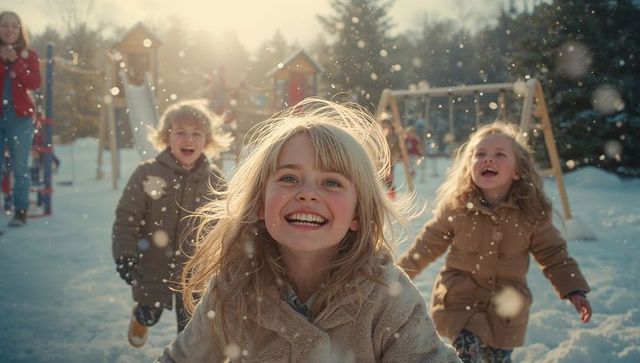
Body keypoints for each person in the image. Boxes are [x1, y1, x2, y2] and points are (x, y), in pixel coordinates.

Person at [156, 98, 460, 362]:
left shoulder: (385, 296)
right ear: (260, 204)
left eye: (331, 182)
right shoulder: (234, 289)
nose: (308, 194)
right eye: (289, 178)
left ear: (358, 213)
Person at [398, 121, 592, 362]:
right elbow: (428, 244)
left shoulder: (531, 213)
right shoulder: (457, 207)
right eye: (480, 154)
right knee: (466, 355)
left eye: (499, 154)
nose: (488, 159)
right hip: (460, 303)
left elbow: (553, 253)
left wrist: (573, 288)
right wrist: (399, 274)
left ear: (517, 171)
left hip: (505, 310)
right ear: (469, 166)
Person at [112, 99, 233, 348]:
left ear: (207, 141)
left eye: (196, 134)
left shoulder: (216, 181)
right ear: (167, 137)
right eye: (180, 133)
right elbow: (127, 219)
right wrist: (125, 256)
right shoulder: (148, 173)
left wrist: (226, 261)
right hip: (152, 265)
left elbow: (226, 226)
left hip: (195, 272)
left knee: (191, 329)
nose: (188, 139)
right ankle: (141, 318)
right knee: (150, 312)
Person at [0, 11, 42, 227]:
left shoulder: (29, 55)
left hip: (20, 119)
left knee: (20, 167)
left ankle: (20, 210)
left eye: (14, 26)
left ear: (20, 30)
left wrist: (16, 62)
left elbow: (34, 83)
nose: (9, 30)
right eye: (4, 25)